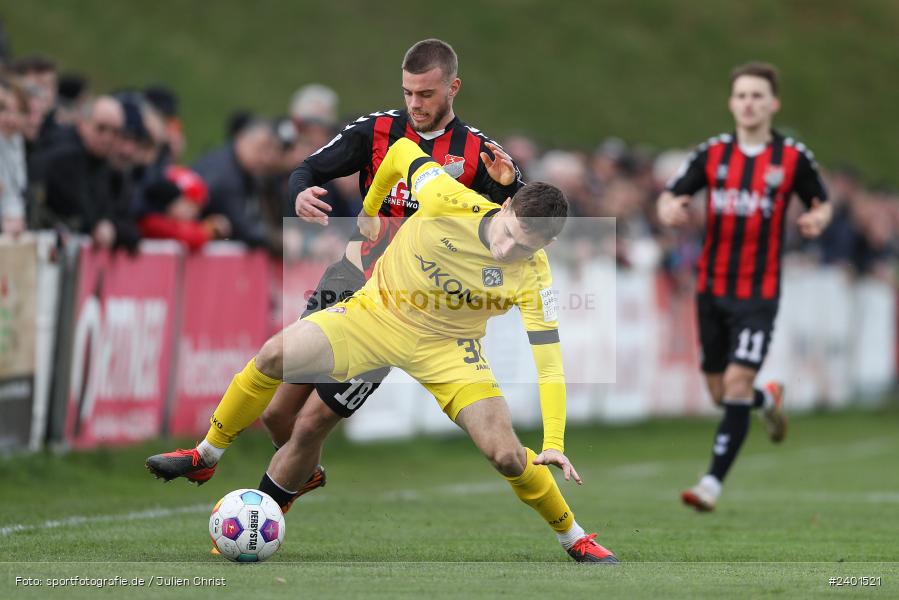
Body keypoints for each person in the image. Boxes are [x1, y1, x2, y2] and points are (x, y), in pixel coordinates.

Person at [148, 136, 618, 563]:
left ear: (547, 245)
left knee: (508, 456)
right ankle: (207, 456)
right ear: (508, 204)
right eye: (509, 232)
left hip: (450, 350)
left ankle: (573, 536)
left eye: (523, 247)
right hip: (374, 317)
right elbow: (397, 154)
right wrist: (370, 210)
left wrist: (554, 441)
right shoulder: (446, 196)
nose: (506, 249)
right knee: (274, 355)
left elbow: (549, 359)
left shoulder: (535, 276)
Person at [148, 40, 524, 507]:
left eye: (426, 94)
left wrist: (510, 185)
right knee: (279, 416)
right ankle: (300, 473)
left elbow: (526, 223)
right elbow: (308, 168)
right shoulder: (377, 130)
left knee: (310, 424)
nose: (415, 104)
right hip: (347, 279)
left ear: (454, 88)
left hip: (399, 308)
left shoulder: (481, 154)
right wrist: (302, 193)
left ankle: (261, 514)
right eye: (408, 92)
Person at [657, 62, 831, 512]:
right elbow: (671, 193)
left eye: (757, 96)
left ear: (772, 104)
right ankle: (766, 398)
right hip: (711, 287)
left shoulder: (791, 156)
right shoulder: (712, 153)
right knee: (721, 393)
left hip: (759, 291)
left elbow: (821, 200)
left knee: (735, 382)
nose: (749, 103)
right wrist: (669, 208)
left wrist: (816, 218)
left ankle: (711, 483)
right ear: (732, 103)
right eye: (741, 96)